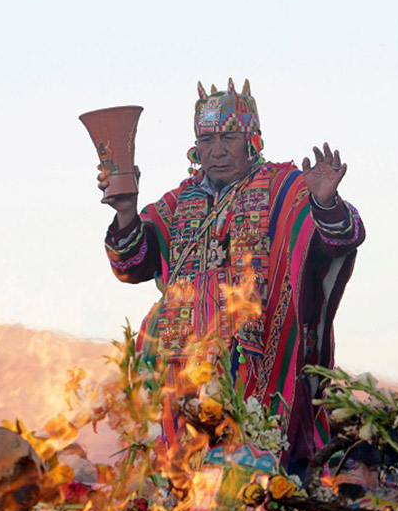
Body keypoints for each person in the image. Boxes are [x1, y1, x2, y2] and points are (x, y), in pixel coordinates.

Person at [97, 78, 365, 472]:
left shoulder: (283, 185)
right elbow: (130, 264)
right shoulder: (180, 200)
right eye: (206, 140)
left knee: (252, 469)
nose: (217, 151)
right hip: (180, 366)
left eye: (229, 138)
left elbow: (345, 237)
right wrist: (125, 211)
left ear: (252, 140)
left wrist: (325, 204)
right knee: (177, 476)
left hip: (256, 365)